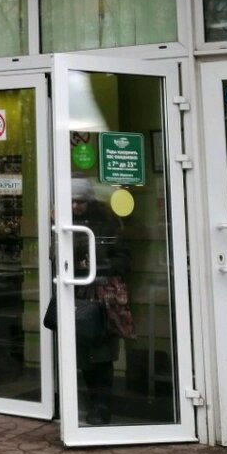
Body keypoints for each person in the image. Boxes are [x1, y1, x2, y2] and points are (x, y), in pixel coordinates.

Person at [69, 177, 130, 425]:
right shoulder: (64, 222)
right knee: (83, 352)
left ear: (90, 201)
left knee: (103, 352)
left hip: (103, 295)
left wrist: (99, 265)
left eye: (80, 201)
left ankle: (102, 404)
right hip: (76, 293)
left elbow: (124, 258)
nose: (76, 206)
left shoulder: (107, 223)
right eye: (72, 201)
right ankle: (92, 402)